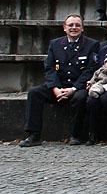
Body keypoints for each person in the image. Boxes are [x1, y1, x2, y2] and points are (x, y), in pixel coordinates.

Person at [19, 14, 100, 147]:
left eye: (77, 25)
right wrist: (55, 88)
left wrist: (73, 89)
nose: (74, 28)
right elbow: (49, 68)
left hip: (78, 86)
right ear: (64, 27)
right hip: (59, 85)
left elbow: (90, 70)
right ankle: (34, 135)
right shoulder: (55, 44)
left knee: (80, 98)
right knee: (34, 93)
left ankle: (76, 135)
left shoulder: (92, 44)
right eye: (70, 25)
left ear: (82, 28)